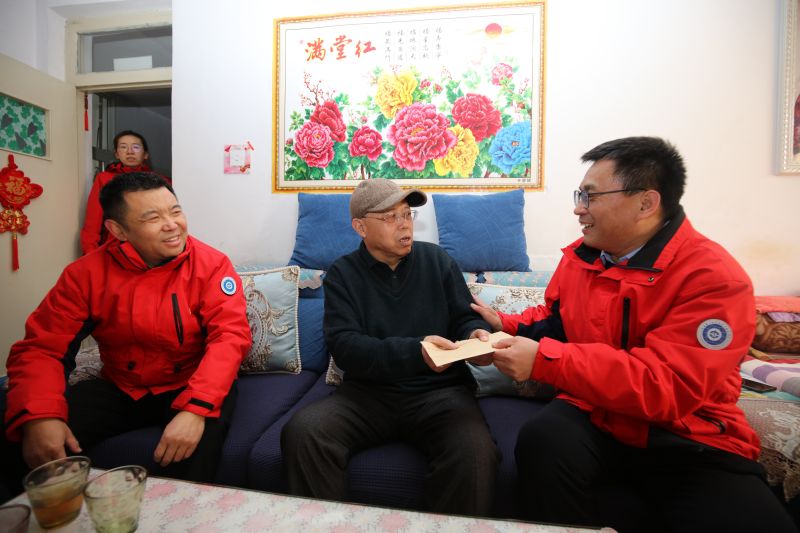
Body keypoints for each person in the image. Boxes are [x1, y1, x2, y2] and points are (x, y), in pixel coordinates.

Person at [472, 137, 797, 532]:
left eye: (590, 196)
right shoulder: (581, 259)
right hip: (597, 411)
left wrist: (545, 360)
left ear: (646, 203)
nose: (578, 208)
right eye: (580, 195)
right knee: (543, 438)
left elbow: (668, 387)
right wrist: (502, 326)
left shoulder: (713, 278)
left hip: (687, 430)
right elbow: (556, 320)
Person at [1, 172, 251, 494]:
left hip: (190, 382)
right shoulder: (85, 274)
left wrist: (195, 410)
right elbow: (43, 348)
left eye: (175, 211)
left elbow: (229, 338)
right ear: (117, 229)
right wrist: (40, 416)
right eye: (153, 218)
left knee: (194, 453)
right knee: (23, 434)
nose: (172, 225)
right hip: (122, 386)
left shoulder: (211, 265)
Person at [281, 178, 500, 516]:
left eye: (407, 214)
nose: (404, 224)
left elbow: (464, 317)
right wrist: (417, 351)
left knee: (474, 452)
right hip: (368, 395)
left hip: (439, 393)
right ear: (360, 227)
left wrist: (476, 335)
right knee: (304, 432)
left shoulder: (437, 260)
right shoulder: (342, 274)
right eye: (390, 217)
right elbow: (346, 347)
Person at [80, 130, 167, 254]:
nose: (130, 151)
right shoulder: (104, 178)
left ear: (145, 154)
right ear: (117, 154)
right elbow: (93, 220)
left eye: (136, 147)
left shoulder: (158, 181)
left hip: (150, 245)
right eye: (123, 147)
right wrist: (90, 252)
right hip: (115, 246)